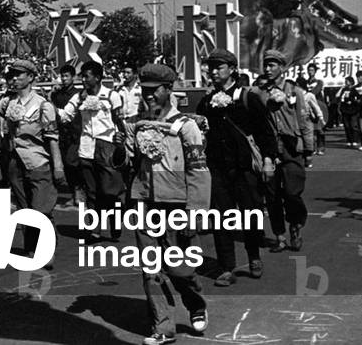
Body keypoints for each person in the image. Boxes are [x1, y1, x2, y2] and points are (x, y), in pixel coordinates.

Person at [122, 64, 210, 345]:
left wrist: (196, 212)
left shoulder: (187, 127)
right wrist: (119, 148)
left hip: (176, 205)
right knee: (150, 268)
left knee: (179, 267)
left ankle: (195, 303)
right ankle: (163, 326)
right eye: (144, 91)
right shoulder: (136, 123)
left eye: (154, 91)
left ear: (168, 90)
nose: (148, 96)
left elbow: (198, 170)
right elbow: (128, 163)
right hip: (144, 202)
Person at [196, 48, 277, 287]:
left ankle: (253, 256)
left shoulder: (247, 97)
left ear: (232, 69)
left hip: (244, 168)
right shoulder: (206, 102)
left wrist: (269, 159)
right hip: (218, 168)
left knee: (250, 214)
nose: (213, 72)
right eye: (211, 67)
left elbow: (265, 131)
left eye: (218, 67)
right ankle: (226, 267)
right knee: (221, 218)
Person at [0, 59, 64, 258]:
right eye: (11, 75)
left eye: (19, 75)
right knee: (24, 209)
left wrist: (58, 167)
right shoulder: (8, 102)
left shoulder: (43, 105)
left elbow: (52, 138)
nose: (13, 79)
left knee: (41, 209)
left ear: (30, 77)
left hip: (38, 161)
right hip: (15, 161)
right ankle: (31, 247)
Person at [58, 61, 125, 242]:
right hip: (86, 148)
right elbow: (66, 115)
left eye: (87, 76)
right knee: (92, 191)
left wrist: (121, 145)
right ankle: (95, 229)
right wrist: (49, 109)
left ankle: (115, 220)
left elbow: (119, 122)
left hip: (107, 147)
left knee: (109, 190)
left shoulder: (112, 96)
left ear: (97, 77)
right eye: (82, 76)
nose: (84, 80)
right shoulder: (79, 97)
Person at [261, 51, 313, 253]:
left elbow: (304, 121)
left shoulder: (295, 91)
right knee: (272, 195)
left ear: (282, 68)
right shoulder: (260, 91)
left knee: (292, 192)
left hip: (292, 147)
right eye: (266, 65)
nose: (268, 69)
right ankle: (279, 235)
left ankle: (296, 224)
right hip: (269, 149)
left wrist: (308, 148)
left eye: (273, 65)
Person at [50, 64, 83, 206]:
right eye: (62, 76)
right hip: (61, 133)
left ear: (73, 77)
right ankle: (73, 194)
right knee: (66, 165)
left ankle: (80, 193)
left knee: (73, 162)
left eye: (66, 76)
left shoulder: (78, 94)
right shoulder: (58, 94)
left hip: (75, 133)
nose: (64, 79)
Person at [300, 79, 326, 157]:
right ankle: (310, 149)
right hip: (299, 119)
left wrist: (321, 117)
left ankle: (316, 149)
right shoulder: (296, 95)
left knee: (316, 132)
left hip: (309, 118)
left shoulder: (309, 95)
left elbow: (315, 107)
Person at [338, 77, 362, 148]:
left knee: (353, 125)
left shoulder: (355, 89)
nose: (346, 82)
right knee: (347, 126)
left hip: (353, 110)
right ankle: (349, 140)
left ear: (351, 82)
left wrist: (353, 101)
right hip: (345, 110)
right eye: (345, 81)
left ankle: (355, 140)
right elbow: (339, 97)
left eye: (347, 81)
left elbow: (358, 98)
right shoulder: (344, 89)